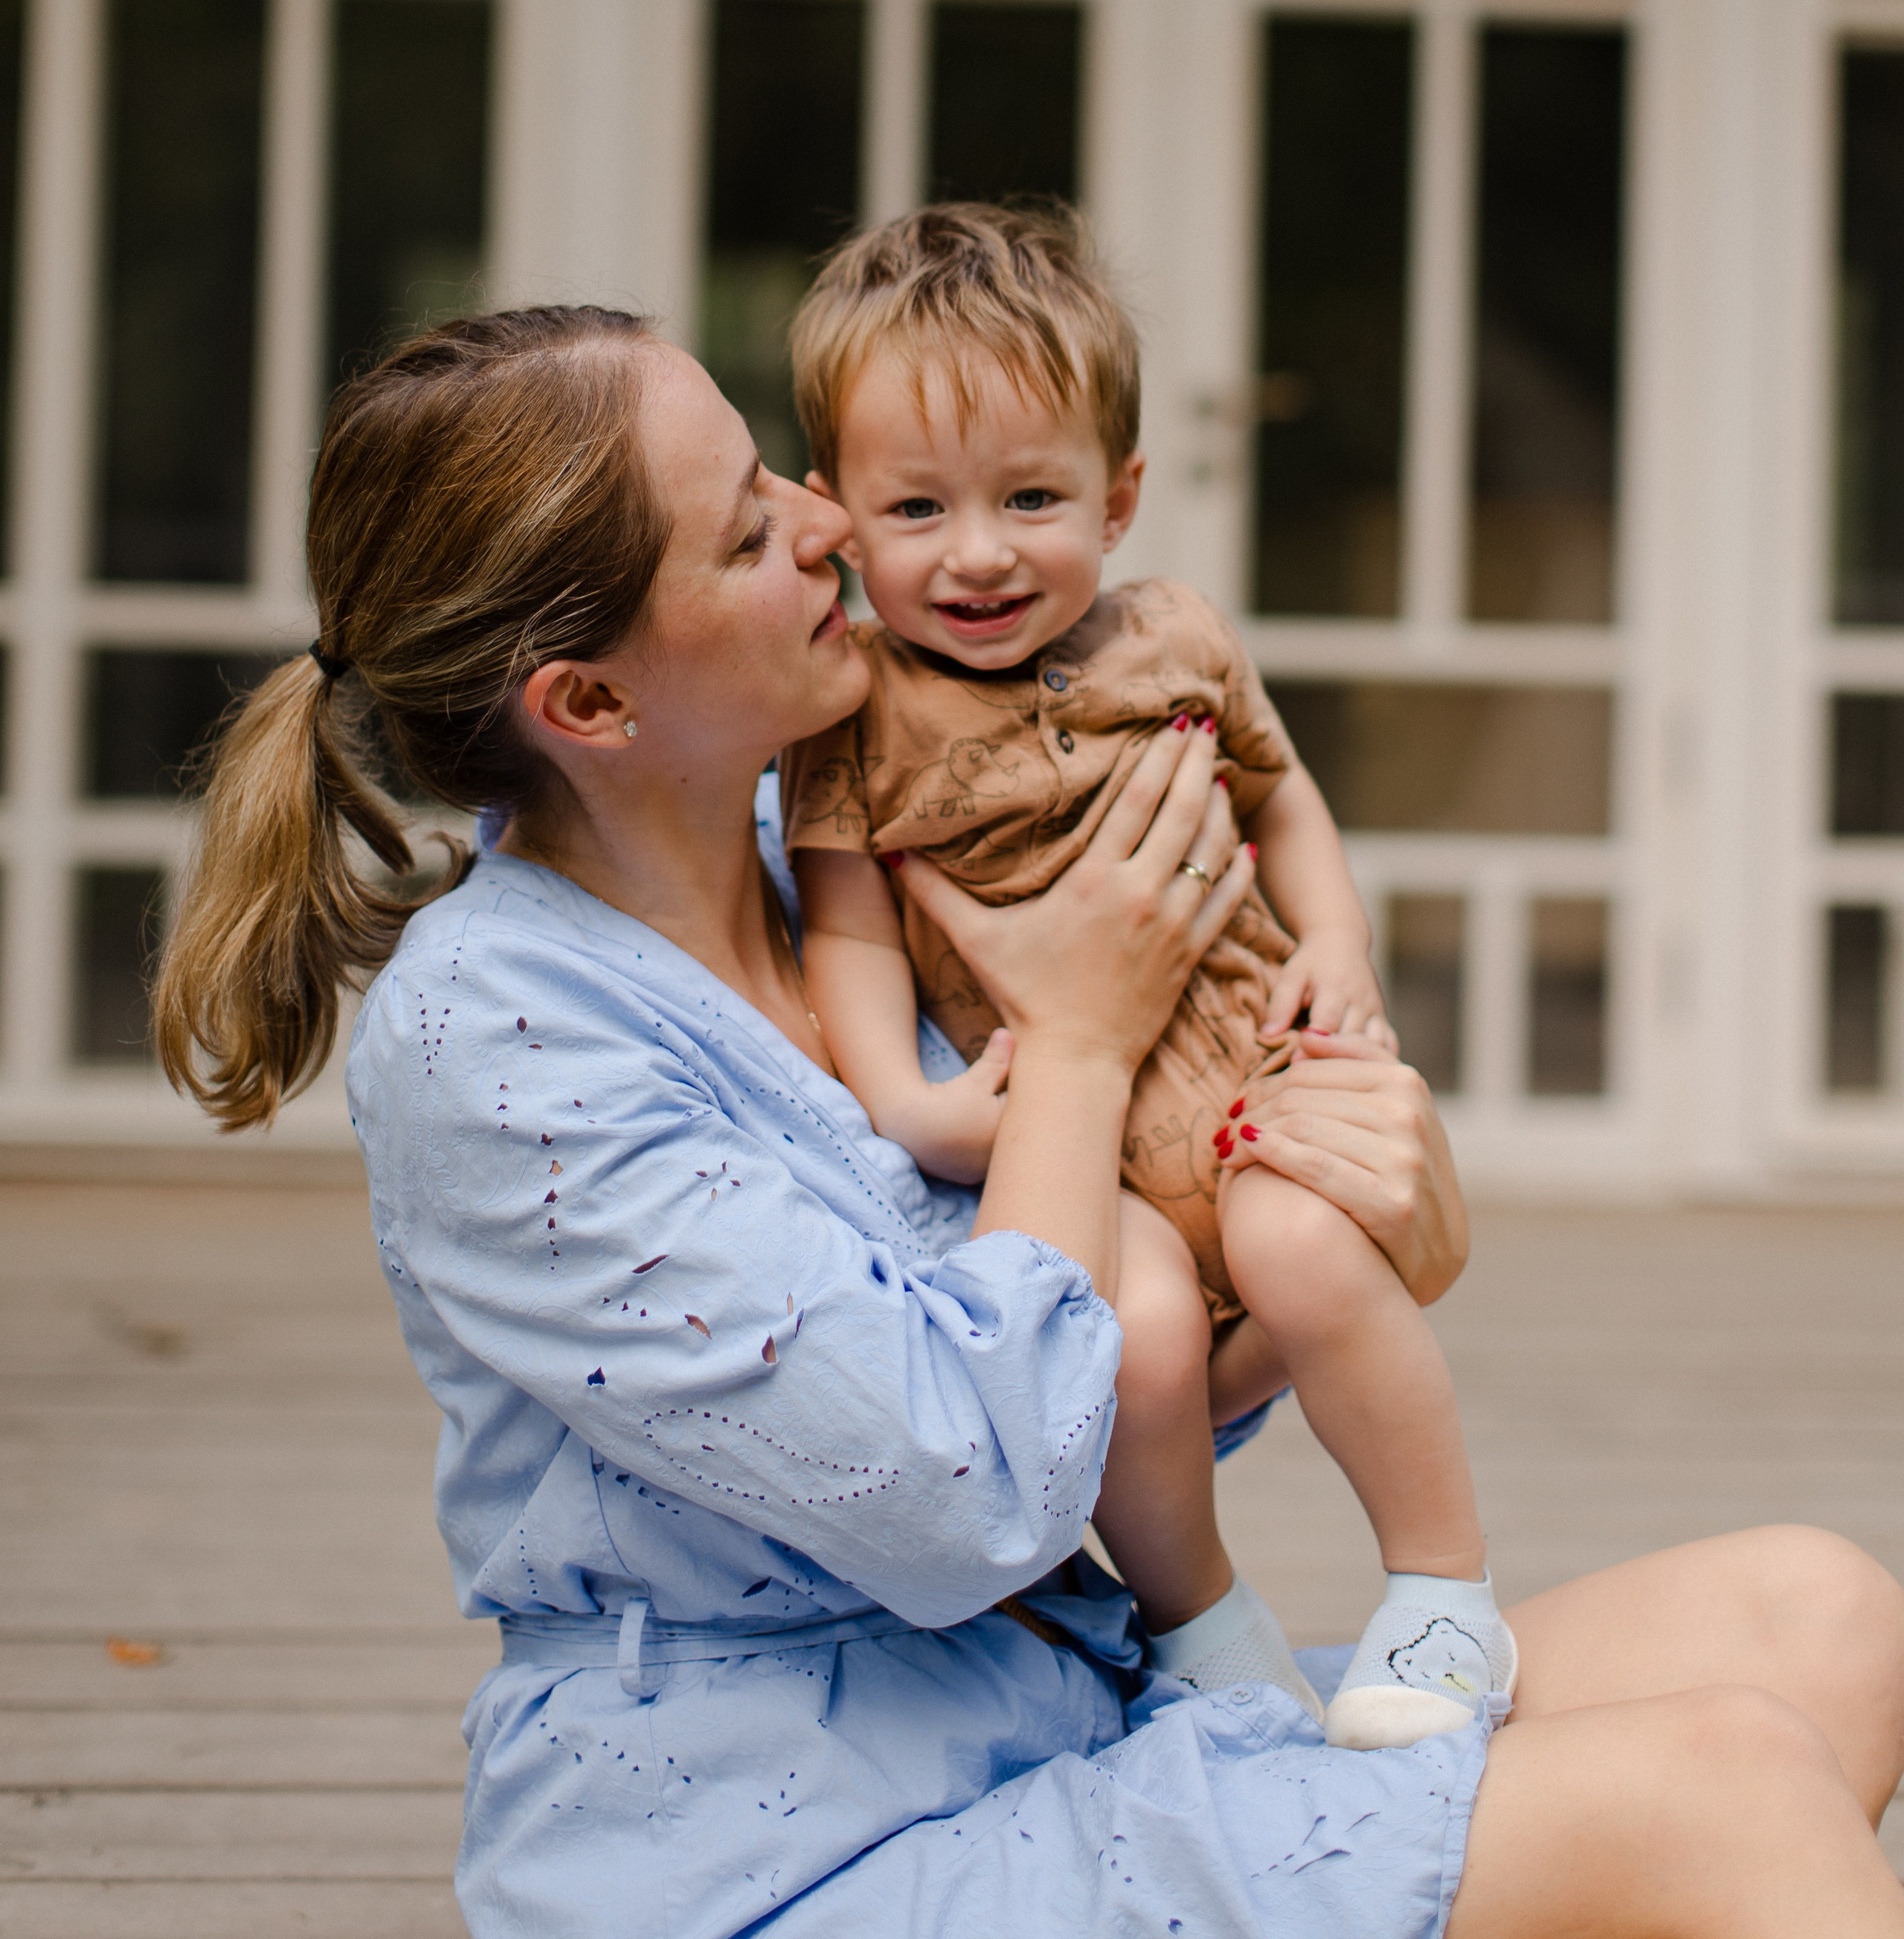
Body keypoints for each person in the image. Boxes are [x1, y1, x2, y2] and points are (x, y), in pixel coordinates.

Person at [155, 306, 1904, 1939]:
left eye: (778, 471)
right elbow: (962, 1490)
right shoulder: (505, 1040)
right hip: (791, 1850)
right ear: (590, 706)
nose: (828, 521)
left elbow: (1106, 1369)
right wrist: (1075, 1044)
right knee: (1722, 1795)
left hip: (1064, 1703)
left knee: (1816, 1615)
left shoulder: (845, 882)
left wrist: (1327, 1217)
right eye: (750, 532)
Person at [781, 202, 1507, 1746]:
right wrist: (909, 1103)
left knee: (1311, 1255)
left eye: (1029, 496)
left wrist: (1336, 945)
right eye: (915, 510)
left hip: (1246, 1076)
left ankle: (1442, 1595)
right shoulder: (845, 717)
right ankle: (1201, 1625)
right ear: (838, 513)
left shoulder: (1175, 636)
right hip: (1066, 1130)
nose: (977, 554)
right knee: (1135, 1333)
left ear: (1116, 500)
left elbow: (1281, 795)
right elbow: (842, 915)